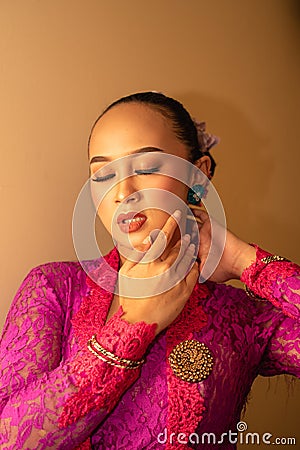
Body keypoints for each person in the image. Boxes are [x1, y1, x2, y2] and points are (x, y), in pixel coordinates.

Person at [0, 92, 299, 450]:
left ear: (198, 177)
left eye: (147, 168)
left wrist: (241, 259)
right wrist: (136, 323)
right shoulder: (54, 287)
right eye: (103, 173)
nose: (123, 192)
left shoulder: (240, 315)